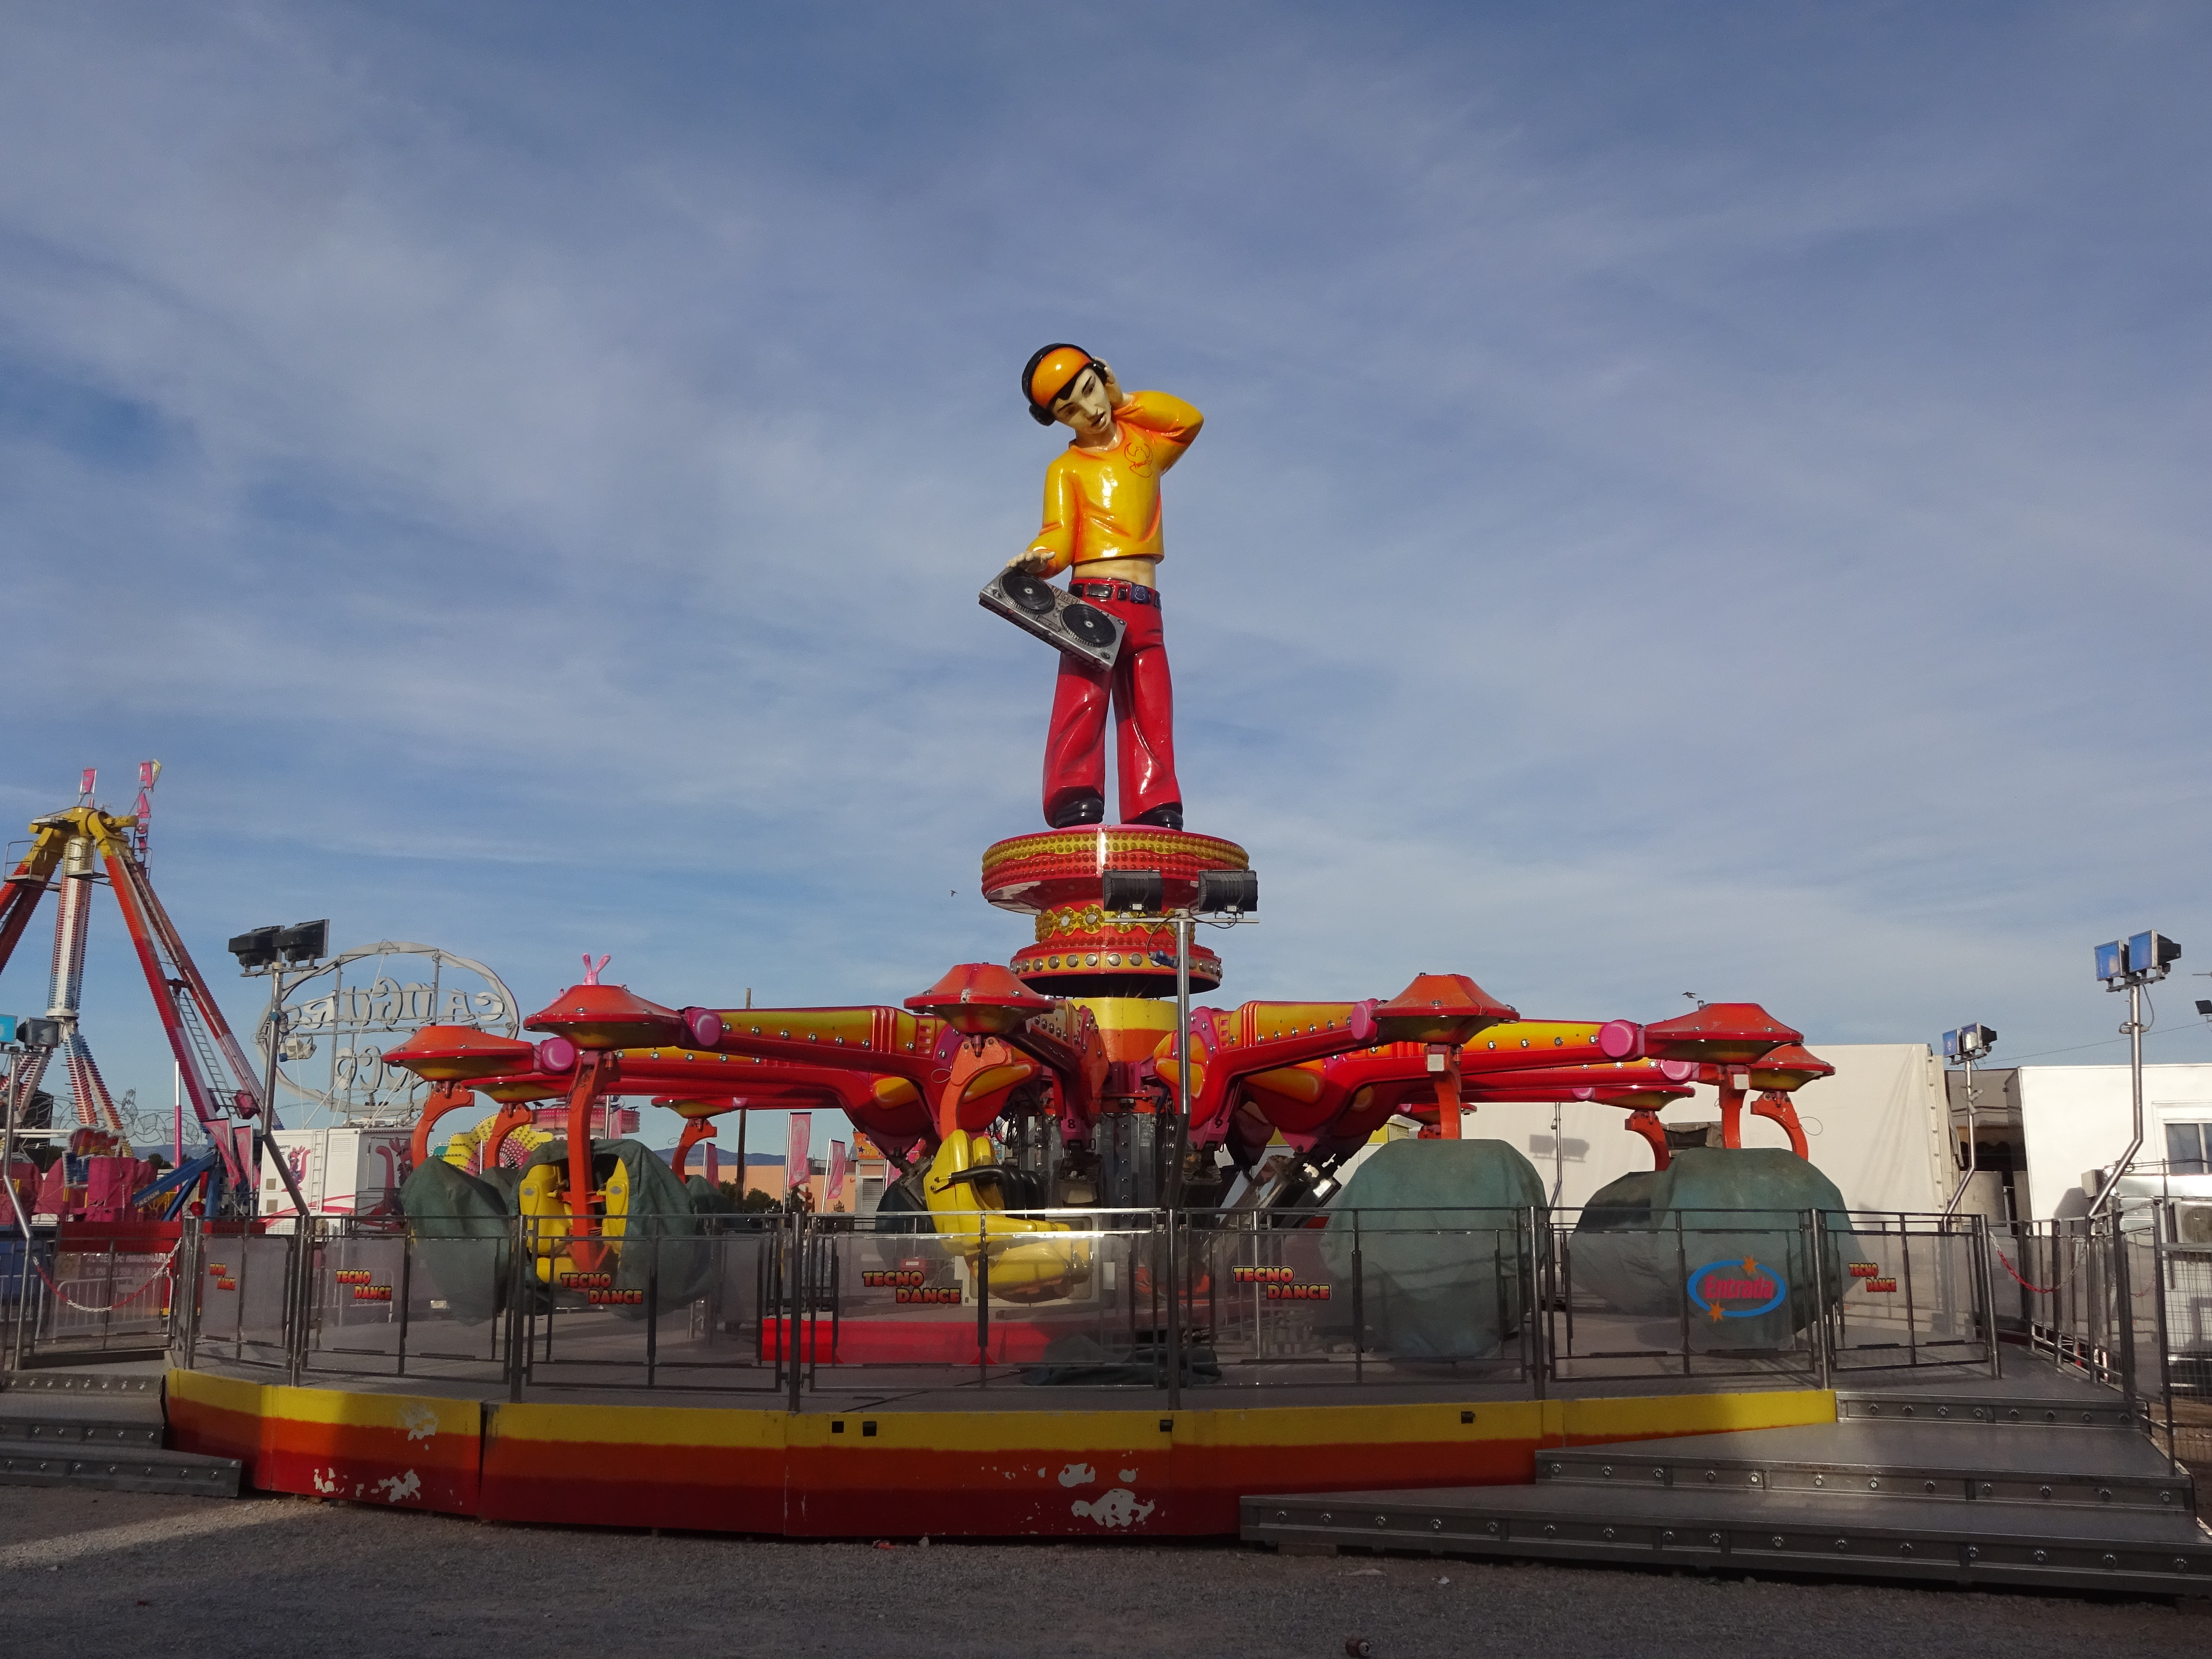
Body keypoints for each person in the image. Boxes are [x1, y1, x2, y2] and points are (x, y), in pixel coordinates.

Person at [1008, 345, 1202, 830]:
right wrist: (1041, 559)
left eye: (1091, 390)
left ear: (1103, 377)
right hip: (1093, 598)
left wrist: (1126, 400)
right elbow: (1058, 534)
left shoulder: (1144, 446)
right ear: (1056, 419)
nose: (1090, 410)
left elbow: (1187, 421)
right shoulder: (1067, 469)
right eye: (1069, 409)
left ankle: (1153, 800)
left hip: (1146, 604)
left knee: (1150, 705)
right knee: (1083, 700)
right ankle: (1073, 792)